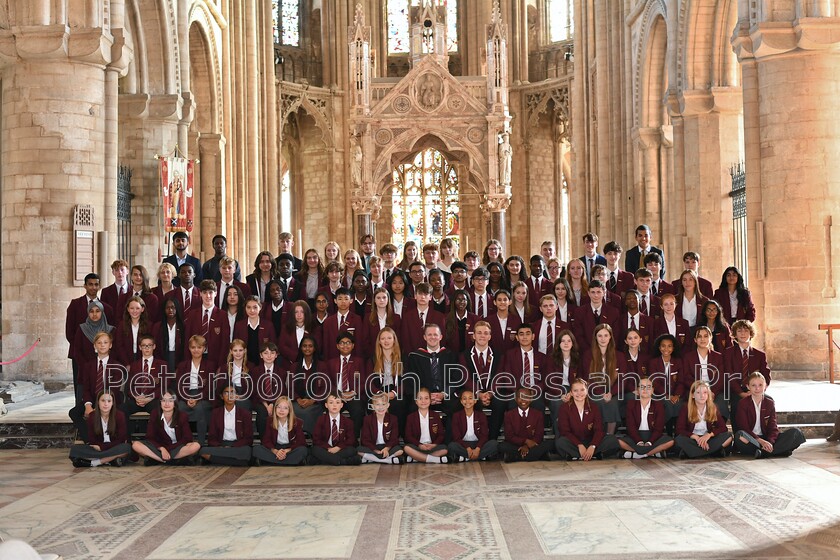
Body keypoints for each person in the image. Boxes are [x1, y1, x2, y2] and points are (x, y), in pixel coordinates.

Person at [734, 372, 805, 458]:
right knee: (740, 435)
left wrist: (770, 442)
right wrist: (760, 441)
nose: (757, 388)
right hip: (752, 439)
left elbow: (773, 428)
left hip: (766, 437)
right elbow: (743, 427)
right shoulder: (743, 403)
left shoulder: (769, 403)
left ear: (765, 386)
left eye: (760, 385)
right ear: (748, 387)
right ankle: (776, 451)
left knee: (797, 433)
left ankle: (763, 452)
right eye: (753, 385)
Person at [68, 331, 123, 442]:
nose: (102, 345)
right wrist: (88, 405)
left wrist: (101, 405)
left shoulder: (117, 366)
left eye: (105, 342)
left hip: (110, 400)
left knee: (115, 412)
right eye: (99, 342)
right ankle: (90, 441)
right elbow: (86, 388)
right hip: (93, 399)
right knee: (74, 412)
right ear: (95, 345)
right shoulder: (88, 365)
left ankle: (111, 440)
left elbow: (114, 390)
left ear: (110, 345)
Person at [405, 323, 460, 431]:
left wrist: (444, 393)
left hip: (444, 395)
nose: (432, 337)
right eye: (429, 335)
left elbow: (456, 378)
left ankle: (449, 442)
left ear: (441, 336)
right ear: (424, 337)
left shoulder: (450, 355)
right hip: (424, 396)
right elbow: (411, 380)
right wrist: (427, 396)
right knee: (411, 407)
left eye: (435, 334)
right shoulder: (415, 357)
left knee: (457, 407)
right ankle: (416, 442)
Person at [132, 385, 201, 465]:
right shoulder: (155, 414)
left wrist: (168, 449)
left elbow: (187, 438)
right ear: (160, 403)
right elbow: (150, 437)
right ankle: (167, 460)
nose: (167, 404)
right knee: (136, 445)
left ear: (175, 403)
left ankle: (157, 459)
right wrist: (162, 448)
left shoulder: (182, 416)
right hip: (159, 447)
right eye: (164, 400)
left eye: (170, 401)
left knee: (196, 446)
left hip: (177, 447)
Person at [555, 378, 620, 460]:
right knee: (560, 443)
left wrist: (593, 446)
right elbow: (565, 431)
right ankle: (592, 455)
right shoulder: (564, 408)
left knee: (612, 440)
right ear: (571, 393)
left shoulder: (594, 407)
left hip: (591, 441)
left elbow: (599, 430)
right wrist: (579, 445)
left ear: (586, 391)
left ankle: (579, 455)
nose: (579, 393)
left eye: (582, 390)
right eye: (575, 390)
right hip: (574, 442)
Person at [461, 321, 505, 439]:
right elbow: (466, 377)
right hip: (474, 392)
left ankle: (492, 440)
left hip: (492, 392)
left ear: (490, 336)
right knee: (472, 402)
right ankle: (477, 440)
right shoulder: (464, 355)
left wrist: (490, 393)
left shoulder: (498, 355)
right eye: (479, 333)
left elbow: (499, 376)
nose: (482, 336)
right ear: (474, 336)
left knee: (500, 403)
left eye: (486, 333)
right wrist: (479, 394)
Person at [724, 319, 771, 429]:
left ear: (751, 333)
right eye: (739, 331)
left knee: (769, 402)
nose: (743, 333)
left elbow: (766, 375)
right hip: (736, 390)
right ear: (735, 334)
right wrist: (741, 393)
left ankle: (761, 435)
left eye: (746, 330)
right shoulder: (729, 353)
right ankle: (738, 437)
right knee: (737, 404)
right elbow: (729, 376)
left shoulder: (760, 355)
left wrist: (760, 390)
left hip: (756, 390)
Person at [581, 324, 626, 434]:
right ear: (595, 337)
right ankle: (598, 436)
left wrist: (611, 393)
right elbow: (587, 378)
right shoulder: (588, 355)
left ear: (610, 337)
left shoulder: (619, 356)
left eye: (606, 335)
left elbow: (623, 380)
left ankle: (609, 437)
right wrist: (601, 393)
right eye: (600, 336)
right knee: (599, 402)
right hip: (594, 392)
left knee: (612, 403)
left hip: (614, 392)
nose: (603, 338)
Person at [69, 390, 131, 468]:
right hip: (98, 449)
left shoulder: (119, 415)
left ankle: (95, 462)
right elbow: (91, 439)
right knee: (74, 450)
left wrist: (103, 447)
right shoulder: (92, 416)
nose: (106, 404)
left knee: (126, 448)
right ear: (98, 402)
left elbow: (121, 439)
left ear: (113, 403)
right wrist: (99, 448)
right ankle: (111, 460)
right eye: (103, 401)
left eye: (109, 401)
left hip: (114, 447)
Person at [618, 376, 674, 459]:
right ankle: (652, 452)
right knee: (618, 441)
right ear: (638, 391)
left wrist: (649, 442)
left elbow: (659, 428)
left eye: (648, 387)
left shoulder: (658, 405)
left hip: (653, 436)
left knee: (671, 441)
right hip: (636, 436)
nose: (645, 389)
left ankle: (639, 454)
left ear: (652, 390)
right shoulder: (631, 404)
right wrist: (639, 441)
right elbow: (631, 427)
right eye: (642, 387)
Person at [122, 334, 168, 434]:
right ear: (140, 347)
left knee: (158, 410)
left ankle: (153, 439)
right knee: (121, 409)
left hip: (153, 399)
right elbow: (129, 386)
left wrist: (149, 397)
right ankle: (127, 440)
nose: (147, 348)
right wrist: (136, 397)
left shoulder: (162, 364)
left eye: (149, 345)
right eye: (144, 345)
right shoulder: (134, 365)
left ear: (154, 346)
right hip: (137, 399)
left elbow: (164, 386)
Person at [675, 380, 733, 459]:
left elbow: (723, 428)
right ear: (692, 395)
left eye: (705, 392)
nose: (702, 396)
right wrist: (695, 437)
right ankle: (713, 451)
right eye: (698, 393)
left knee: (728, 436)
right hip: (692, 439)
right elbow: (679, 429)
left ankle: (692, 452)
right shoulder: (686, 408)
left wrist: (709, 435)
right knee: (679, 440)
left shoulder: (713, 408)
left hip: (708, 439)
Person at [200, 383, 254, 466]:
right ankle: (239, 462)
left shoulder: (245, 413)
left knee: (247, 451)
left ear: (236, 396)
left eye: (233, 392)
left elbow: (249, 438)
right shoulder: (216, 413)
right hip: (221, 445)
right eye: (226, 393)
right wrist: (221, 447)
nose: (230, 396)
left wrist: (233, 447)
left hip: (238, 446)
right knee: (203, 451)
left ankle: (215, 459)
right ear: (222, 396)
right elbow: (212, 437)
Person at [325, 331, 367, 437]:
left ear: (353, 345)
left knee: (358, 410)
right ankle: (331, 439)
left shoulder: (359, 362)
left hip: (353, 396)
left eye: (348, 342)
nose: (345, 345)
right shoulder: (331, 362)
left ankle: (354, 440)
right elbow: (328, 382)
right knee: (327, 409)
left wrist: (353, 392)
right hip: (336, 395)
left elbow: (364, 381)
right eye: (342, 343)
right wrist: (338, 393)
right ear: (337, 346)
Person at [681, 326, 728, 419]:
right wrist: (699, 390)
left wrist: (711, 391)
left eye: (706, 336)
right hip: (695, 389)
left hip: (714, 390)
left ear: (710, 338)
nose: (702, 339)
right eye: (699, 336)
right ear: (695, 340)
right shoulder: (688, 357)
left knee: (722, 400)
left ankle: (718, 428)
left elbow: (721, 378)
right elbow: (686, 377)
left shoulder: (718, 357)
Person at [175, 335, 214, 445]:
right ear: (189, 348)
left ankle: (200, 445)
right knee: (181, 408)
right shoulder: (182, 365)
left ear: (204, 349)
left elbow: (209, 387)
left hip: (203, 396)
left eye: (199, 347)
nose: (196, 350)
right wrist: (187, 398)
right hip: (186, 396)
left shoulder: (210, 365)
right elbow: (179, 386)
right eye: (193, 347)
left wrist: (196, 399)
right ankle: (183, 444)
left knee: (200, 409)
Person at [368, 327, 408, 433]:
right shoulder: (373, 359)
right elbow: (369, 381)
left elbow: (407, 380)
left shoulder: (403, 358)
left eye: (389, 338)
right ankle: (378, 436)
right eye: (383, 338)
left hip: (396, 390)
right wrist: (379, 394)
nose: (386, 341)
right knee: (375, 404)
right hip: (378, 391)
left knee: (399, 403)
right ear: (379, 341)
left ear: (394, 340)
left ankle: (396, 436)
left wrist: (394, 393)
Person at [499, 387, 552, 462]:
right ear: (515, 399)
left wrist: (527, 446)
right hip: (516, 445)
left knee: (550, 444)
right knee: (502, 446)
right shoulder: (509, 415)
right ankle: (534, 456)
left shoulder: (538, 414)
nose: (523, 400)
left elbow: (539, 435)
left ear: (531, 399)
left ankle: (517, 456)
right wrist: (525, 442)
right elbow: (509, 436)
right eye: (520, 397)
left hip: (532, 445)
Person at [184, 279, 230, 366]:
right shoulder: (192, 314)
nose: (208, 296)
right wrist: (188, 361)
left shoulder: (222, 315)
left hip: (214, 359)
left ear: (216, 293)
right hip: (195, 358)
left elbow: (225, 342)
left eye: (211, 292)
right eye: (204, 292)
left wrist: (221, 365)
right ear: (200, 294)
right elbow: (187, 338)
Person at [253, 396, 309, 466]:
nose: (281, 410)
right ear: (275, 408)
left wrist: (287, 450)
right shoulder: (270, 421)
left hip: (289, 449)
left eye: (285, 408)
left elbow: (301, 442)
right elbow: (266, 440)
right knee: (256, 449)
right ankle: (289, 461)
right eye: (279, 407)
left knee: (303, 450)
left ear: (289, 410)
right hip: (276, 447)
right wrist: (275, 451)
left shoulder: (297, 422)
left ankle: (273, 461)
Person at [311, 392, 361, 465]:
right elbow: (316, 439)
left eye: (337, 402)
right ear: (326, 405)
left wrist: (338, 448)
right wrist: (328, 448)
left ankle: (325, 460)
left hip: (340, 449)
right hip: (326, 449)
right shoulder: (321, 420)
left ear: (341, 405)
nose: (334, 405)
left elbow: (351, 440)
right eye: (331, 403)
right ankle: (342, 461)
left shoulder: (348, 422)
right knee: (314, 450)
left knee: (352, 450)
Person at [448, 389, 499, 462]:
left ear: (475, 401)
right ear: (461, 402)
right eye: (464, 399)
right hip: (463, 444)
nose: (467, 401)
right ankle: (480, 457)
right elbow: (456, 437)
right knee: (451, 446)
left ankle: (466, 458)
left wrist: (478, 449)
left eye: (470, 398)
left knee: (494, 444)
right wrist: (468, 448)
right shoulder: (456, 416)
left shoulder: (481, 415)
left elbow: (484, 436)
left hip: (478, 444)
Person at [571, 280, 619, 355]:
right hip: (586, 354)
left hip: (608, 353)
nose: (596, 295)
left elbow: (615, 336)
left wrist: (604, 350)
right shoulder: (580, 312)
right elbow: (578, 335)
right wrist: (590, 352)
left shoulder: (613, 312)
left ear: (604, 293)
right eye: (593, 292)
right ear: (588, 293)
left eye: (598, 292)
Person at [290, 335, 326, 433]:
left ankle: (312, 437)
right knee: (293, 411)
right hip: (298, 401)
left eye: (310, 346)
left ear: (314, 348)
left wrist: (312, 400)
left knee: (307, 413)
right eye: (304, 346)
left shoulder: (321, 366)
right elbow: (290, 387)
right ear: (301, 348)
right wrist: (298, 399)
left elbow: (325, 388)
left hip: (316, 401)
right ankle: (296, 438)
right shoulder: (294, 366)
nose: (307, 348)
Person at [403, 388, 449, 463]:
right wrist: (419, 445)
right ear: (416, 402)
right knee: (406, 448)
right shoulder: (411, 417)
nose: (423, 401)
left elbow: (441, 434)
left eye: (426, 398)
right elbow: (408, 436)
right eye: (420, 398)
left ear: (430, 401)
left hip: (431, 447)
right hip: (418, 446)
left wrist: (434, 445)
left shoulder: (435, 415)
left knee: (445, 449)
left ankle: (417, 458)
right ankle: (432, 459)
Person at [357, 392, 404, 464]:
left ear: (388, 405)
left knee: (400, 450)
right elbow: (365, 440)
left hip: (386, 446)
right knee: (358, 450)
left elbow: (394, 438)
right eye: (377, 404)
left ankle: (371, 459)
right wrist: (376, 451)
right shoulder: (368, 419)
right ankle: (388, 460)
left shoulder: (393, 419)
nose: (381, 407)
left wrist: (386, 449)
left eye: (383, 404)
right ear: (373, 406)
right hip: (373, 447)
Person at [318, 287, 363, 361]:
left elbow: (359, 343)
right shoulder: (328, 321)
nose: (343, 302)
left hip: (352, 359)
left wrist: (358, 361)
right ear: (335, 301)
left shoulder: (357, 319)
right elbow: (326, 345)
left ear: (351, 300)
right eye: (340, 299)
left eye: (346, 299)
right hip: (332, 359)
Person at [250, 342, 285, 435]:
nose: (269, 356)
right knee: (262, 412)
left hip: (276, 401)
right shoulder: (255, 371)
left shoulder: (281, 372)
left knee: (279, 410)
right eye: (265, 353)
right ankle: (263, 441)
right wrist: (266, 405)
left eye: (272, 353)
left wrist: (273, 404)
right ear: (261, 355)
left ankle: (277, 439)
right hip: (260, 401)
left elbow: (282, 390)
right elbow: (255, 390)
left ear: (276, 355)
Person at [400, 283, 445, 353]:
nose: (423, 297)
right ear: (415, 296)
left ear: (430, 297)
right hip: (413, 356)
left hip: (434, 356)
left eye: (426, 294)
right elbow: (405, 339)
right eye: (420, 294)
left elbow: (442, 339)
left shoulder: (439, 316)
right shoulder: (407, 316)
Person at [233, 297, 276, 367]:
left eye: (255, 307)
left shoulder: (268, 325)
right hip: (244, 364)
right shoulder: (239, 325)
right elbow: (235, 345)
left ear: (260, 307)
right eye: (248, 307)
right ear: (245, 308)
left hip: (263, 364)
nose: (252, 310)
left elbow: (273, 346)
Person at [363, 287, 402, 355]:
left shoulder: (396, 318)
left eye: (384, 297)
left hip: (392, 355)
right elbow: (365, 340)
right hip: (373, 356)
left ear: (388, 300)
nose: (381, 300)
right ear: (374, 300)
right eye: (378, 298)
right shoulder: (368, 318)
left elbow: (398, 339)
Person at [112, 296, 151, 364]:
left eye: (137, 308)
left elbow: (149, 345)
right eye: (132, 308)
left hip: (143, 360)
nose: (134, 311)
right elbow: (119, 346)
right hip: (125, 360)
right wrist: (127, 363)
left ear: (142, 309)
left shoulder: (149, 326)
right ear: (128, 309)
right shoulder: (121, 325)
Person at [153, 297, 185, 371]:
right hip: (162, 358)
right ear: (164, 310)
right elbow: (155, 346)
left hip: (178, 358)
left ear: (177, 308)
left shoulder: (183, 326)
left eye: (173, 307)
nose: (170, 310)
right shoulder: (157, 326)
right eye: (167, 307)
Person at [486, 289, 520, 357]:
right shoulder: (488, 320)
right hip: (493, 357)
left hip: (512, 357)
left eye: (505, 299)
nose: (502, 302)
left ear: (510, 302)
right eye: (499, 300)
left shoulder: (516, 320)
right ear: (494, 302)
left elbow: (518, 342)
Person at [443, 290, 478, 354]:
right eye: (458, 299)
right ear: (454, 301)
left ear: (468, 301)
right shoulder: (446, 318)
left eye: (464, 300)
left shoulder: (475, 319)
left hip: (470, 355)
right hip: (451, 356)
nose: (461, 302)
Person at [279, 299, 312, 364]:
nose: (299, 315)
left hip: (309, 364)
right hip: (289, 364)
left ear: (306, 313)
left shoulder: (314, 329)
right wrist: (296, 357)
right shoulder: (285, 328)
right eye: (296, 312)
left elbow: (316, 346)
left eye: (302, 312)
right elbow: (281, 346)